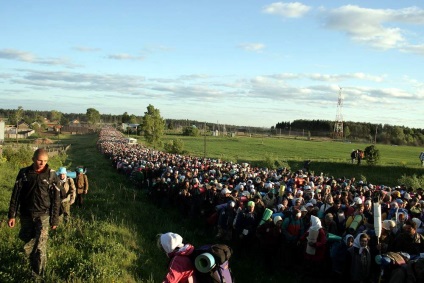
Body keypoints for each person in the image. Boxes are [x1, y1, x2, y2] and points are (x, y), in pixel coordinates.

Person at [7, 148, 62, 277]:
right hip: (26, 214)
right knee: (27, 243)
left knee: (40, 245)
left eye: (45, 161)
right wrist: (12, 215)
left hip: (43, 214)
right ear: (33, 159)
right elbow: (15, 195)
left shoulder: (51, 175)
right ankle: (32, 265)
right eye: (39, 160)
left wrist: (54, 219)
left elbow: (56, 199)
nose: (42, 163)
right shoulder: (24, 174)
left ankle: (38, 275)